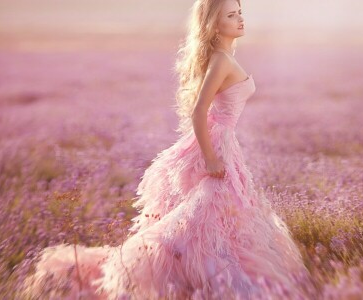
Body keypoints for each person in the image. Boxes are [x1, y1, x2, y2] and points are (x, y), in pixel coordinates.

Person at [21, 1, 310, 299]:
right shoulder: (221, 59)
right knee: (206, 216)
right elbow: (199, 111)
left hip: (224, 141)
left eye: (240, 13)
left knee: (220, 216)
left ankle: (200, 276)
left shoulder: (224, 57)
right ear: (213, 23)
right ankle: (192, 275)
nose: (240, 19)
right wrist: (211, 157)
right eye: (231, 15)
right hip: (218, 144)